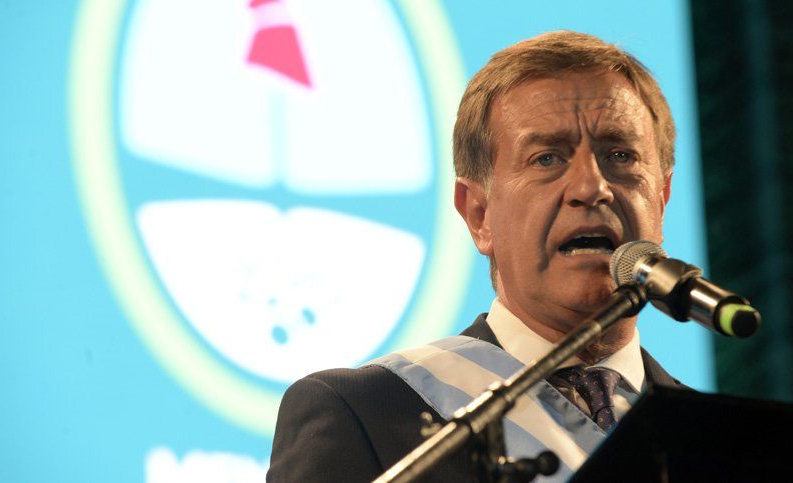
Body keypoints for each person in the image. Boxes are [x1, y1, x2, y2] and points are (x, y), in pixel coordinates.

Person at [267, 30, 685, 482]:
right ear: (479, 215)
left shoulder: (719, 438)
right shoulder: (368, 413)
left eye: (620, 155)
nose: (591, 187)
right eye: (547, 159)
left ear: (661, 199)